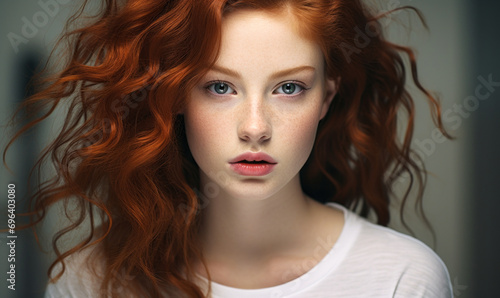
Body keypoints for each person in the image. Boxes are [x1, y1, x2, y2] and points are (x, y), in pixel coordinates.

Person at [4, 0, 454, 297]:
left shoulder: (403, 279)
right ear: (176, 97)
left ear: (326, 99)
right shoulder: (90, 282)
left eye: (289, 88)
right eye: (220, 87)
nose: (255, 128)